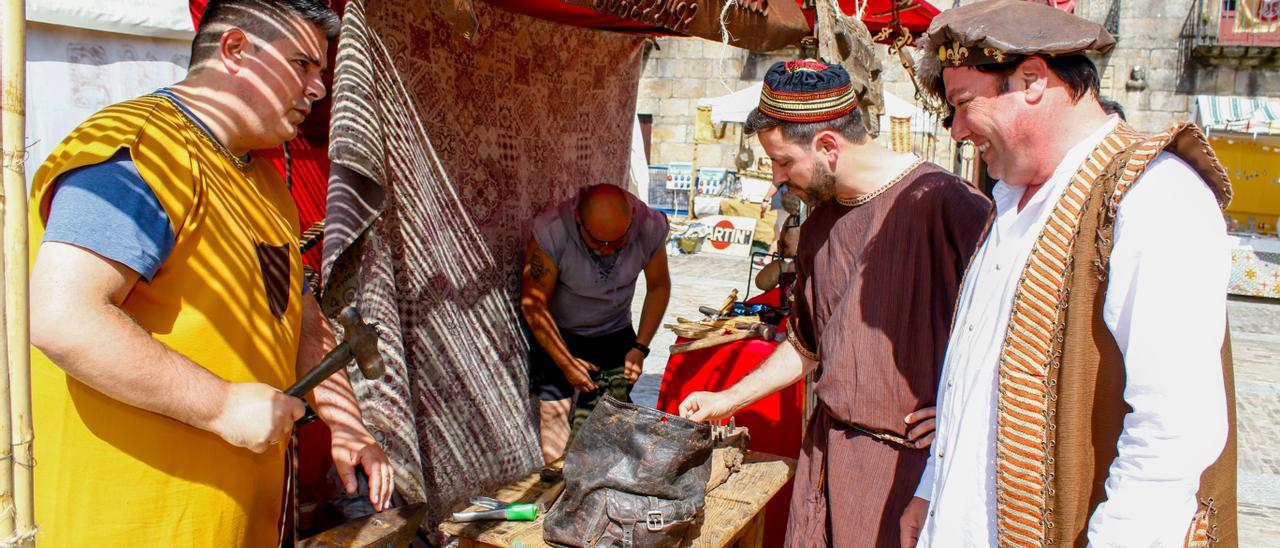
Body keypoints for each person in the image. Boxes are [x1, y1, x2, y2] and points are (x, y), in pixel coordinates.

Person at [28, 1, 393, 545]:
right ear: (235, 51)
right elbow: (62, 317)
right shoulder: (143, 151)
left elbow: (297, 312)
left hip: (238, 523)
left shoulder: (264, 180)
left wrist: (344, 422)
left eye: (321, 71)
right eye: (302, 65)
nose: (319, 89)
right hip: (138, 526)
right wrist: (221, 405)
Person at [900, 1, 1236, 545]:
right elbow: (974, 373)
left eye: (963, 104)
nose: (957, 130)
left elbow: (1173, 436)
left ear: (1032, 79)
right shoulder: (1010, 203)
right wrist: (932, 490)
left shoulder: (1154, 196)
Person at [678, 59, 991, 547]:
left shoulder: (948, 204)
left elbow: (1017, 333)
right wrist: (726, 399)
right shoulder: (820, 222)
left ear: (827, 146)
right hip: (824, 460)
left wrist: (964, 413)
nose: (778, 179)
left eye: (783, 162)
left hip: (907, 473)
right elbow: (807, 345)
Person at [520, 184, 672, 464]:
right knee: (554, 412)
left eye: (617, 243)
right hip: (558, 333)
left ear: (632, 217)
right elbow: (533, 303)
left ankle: (601, 484)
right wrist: (566, 363)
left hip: (613, 331)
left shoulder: (648, 226)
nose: (607, 251)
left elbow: (658, 287)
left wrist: (640, 348)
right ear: (578, 219)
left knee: (610, 416)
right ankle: (559, 488)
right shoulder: (553, 231)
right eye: (598, 243)